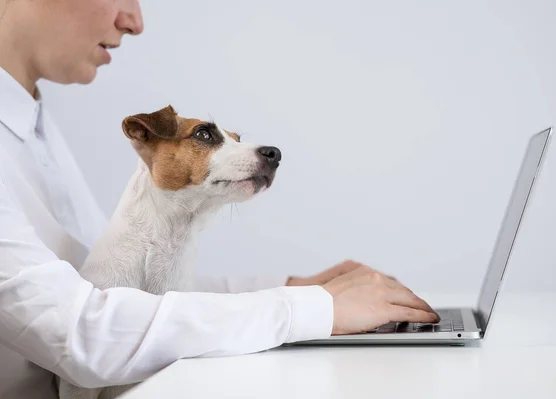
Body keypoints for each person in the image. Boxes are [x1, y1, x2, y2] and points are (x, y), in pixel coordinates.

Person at [0, 0, 439, 397]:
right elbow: (85, 337)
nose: (134, 20)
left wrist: (290, 290)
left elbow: (118, 298)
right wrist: (312, 311)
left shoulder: (33, 127)